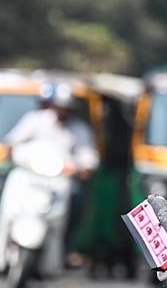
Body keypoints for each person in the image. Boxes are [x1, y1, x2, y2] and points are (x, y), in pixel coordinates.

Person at [2, 82, 99, 268]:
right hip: (29, 178)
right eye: (60, 107)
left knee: (78, 200)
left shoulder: (79, 131)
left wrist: (84, 168)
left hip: (59, 183)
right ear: (53, 105)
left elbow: (88, 157)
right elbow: (13, 141)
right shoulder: (35, 120)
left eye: (67, 109)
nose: (63, 112)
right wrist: (10, 150)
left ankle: (68, 248)